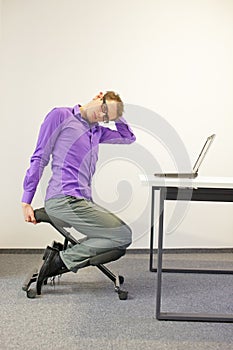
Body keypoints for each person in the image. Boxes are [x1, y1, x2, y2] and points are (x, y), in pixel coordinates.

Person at [21, 91, 136, 287]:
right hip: (63, 198)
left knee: (118, 243)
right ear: (98, 97)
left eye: (107, 117)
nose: (102, 116)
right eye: (104, 109)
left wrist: (117, 113)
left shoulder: (97, 131)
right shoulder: (61, 116)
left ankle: (57, 257)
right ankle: (59, 261)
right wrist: (26, 200)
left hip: (82, 202)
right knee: (122, 235)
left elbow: (128, 138)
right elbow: (40, 157)